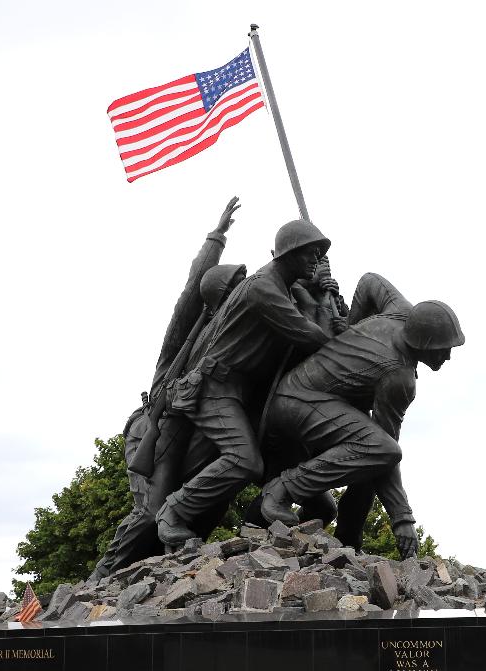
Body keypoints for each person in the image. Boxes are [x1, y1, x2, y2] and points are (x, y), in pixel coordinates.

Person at [155, 219, 346, 545]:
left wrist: (326, 294)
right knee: (245, 461)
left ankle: (259, 532)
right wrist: (323, 311)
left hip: (248, 397)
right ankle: (172, 511)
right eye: (311, 252)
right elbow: (310, 336)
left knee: (320, 501)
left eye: (319, 254)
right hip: (216, 387)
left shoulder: (286, 288)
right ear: (291, 252)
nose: (316, 259)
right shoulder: (263, 288)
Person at [86, 199, 246, 582]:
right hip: (151, 431)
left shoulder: (232, 337)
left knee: (202, 509)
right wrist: (216, 238)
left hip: (186, 431)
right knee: (149, 512)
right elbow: (190, 292)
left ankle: (161, 577)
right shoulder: (188, 336)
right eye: (236, 288)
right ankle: (97, 582)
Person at [259, 272, 464, 558]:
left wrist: (350, 327)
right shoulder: (398, 377)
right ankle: (282, 489)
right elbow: (386, 455)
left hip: (303, 396)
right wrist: (402, 519)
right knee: (381, 450)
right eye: (444, 348)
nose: (448, 356)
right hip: (297, 404)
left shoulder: (402, 313)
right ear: (423, 343)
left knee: (371, 459)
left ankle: (347, 543)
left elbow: (370, 282)